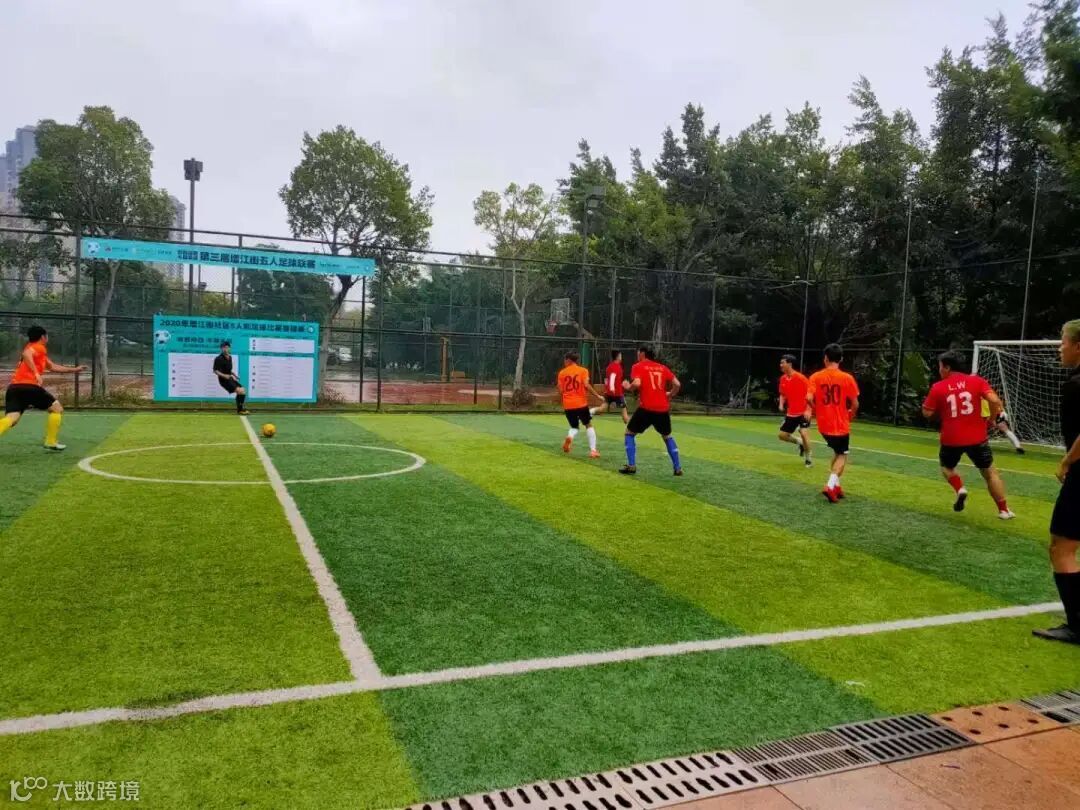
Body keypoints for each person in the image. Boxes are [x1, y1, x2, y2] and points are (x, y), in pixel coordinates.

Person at [921, 351, 1015, 519]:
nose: (939, 370)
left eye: (940, 367)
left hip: (951, 438)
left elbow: (927, 413)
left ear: (947, 367)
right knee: (990, 473)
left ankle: (960, 489)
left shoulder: (938, 387)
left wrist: (940, 412)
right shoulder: (977, 381)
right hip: (977, 438)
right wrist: (992, 418)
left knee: (947, 467)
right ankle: (1004, 510)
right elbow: (994, 400)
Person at [1033, 319, 1080, 645]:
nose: (1059, 347)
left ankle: (1077, 625)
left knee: (1061, 546)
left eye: (1063, 341)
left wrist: (1066, 461)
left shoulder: (1076, 384)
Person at [0, 325, 86, 451]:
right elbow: (26, 354)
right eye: (47, 335)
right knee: (56, 409)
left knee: (12, 419)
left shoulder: (36, 351)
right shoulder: (38, 347)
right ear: (43, 337)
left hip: (14, 388)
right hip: (29, 386)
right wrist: (36, 373)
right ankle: (51, 442)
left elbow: (52, 367)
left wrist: (75, 369)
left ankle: (51, 442)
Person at [805, 343, 859, 503]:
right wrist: (851, 415)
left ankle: (837, 486)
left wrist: (816, 410)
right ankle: (830, 485)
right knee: (842, 455)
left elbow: (808, 398)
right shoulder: (847, 378)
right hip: (840, 424)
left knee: (837, 452)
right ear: (841, 359)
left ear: (826, 358)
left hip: (824, 424)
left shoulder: (815, 377)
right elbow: (855, 403)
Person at [619, 345, 682, 476]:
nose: (637, 355)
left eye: (638, 352)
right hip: (662, 409)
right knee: (667, 436)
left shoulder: (638, 366)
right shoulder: (662, 368)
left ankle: (631, 465)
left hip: (646, 408)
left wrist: (628, 387)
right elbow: (677, 384)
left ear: (642, 354)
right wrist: (670, 394)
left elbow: (637, 383)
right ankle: (677, 468)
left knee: (629, 433)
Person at [557, 351, 604, 458]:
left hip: (568, 404)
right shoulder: (583, 371)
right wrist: (597, 395)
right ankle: (593, 451)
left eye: (565, 360)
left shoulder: (562, 373)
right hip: (581, 403)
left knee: (574, 426)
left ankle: (570, 437)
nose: (564, 362)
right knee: (588, 424)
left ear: (568, 360)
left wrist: (565, 397)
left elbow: (560, 390)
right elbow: (586, 385)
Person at [778, 354, 812, 467]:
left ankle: (808, 459)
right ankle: (800, 443)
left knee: (804, 433)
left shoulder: (801, 378)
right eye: (781, 363)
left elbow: (810, 393)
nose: (781, 365)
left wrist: (808, 410)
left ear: (790, 364)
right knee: (782, 436)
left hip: (803, 412)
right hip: (791, 413)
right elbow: (782, 394)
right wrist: (781, 404)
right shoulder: (783, 379)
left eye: (783, 363)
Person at [591, 349, 629, 425]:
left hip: (610, 393)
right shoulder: (616, 366)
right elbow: (612, 377)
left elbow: (607, 379)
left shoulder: (610, 366)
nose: (621, 357)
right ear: (618, 357)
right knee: (624, 412)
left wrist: (616, 385)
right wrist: (612, 388)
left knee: (602, 408)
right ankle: (630, 428)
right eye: (620, 355)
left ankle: (590, 411)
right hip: (617, 393)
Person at [213, 341, 250, 415]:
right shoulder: (218, 358)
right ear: (221, 349)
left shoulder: (230, 357)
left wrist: (235, 375)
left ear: (229, 348)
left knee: (243, 390)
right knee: (240, 391)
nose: (225, 349)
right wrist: (225, 376)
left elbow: (228, 370)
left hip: (230, 378)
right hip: (223, 380)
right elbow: (215, 371)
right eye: (224, 347)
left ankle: (240, 409)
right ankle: (240, 410)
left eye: (227, 347)